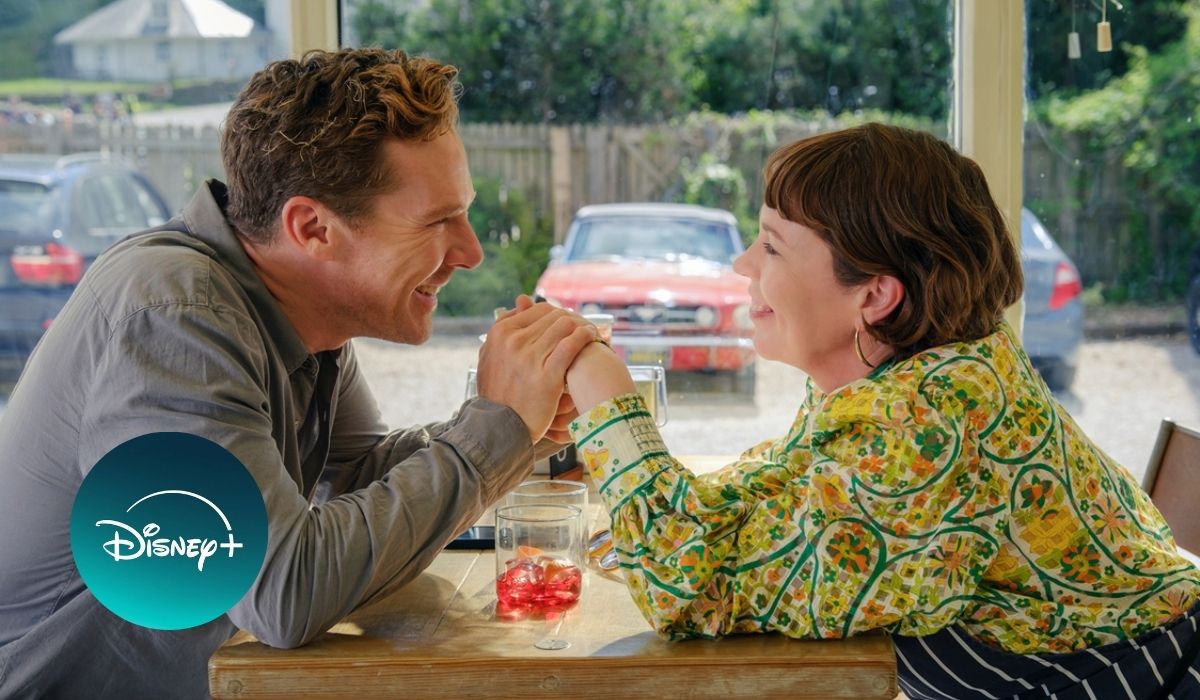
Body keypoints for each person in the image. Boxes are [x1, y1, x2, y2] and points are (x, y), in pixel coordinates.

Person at [0, 48, 596, 699]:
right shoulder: (175, 316)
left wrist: (526, 435)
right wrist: (494, 429)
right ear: (312, 228)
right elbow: (285, 592)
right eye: (436, 221)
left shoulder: (297, 309)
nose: (471, 252)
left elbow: (358, 478)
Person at [564, 123, 1200, 698]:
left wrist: (605, 393)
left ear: (874, 296)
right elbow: (775, 500)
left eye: (772, 247)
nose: (742, 263)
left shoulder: (926, 429)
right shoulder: (906, 376)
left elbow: (690, 594)